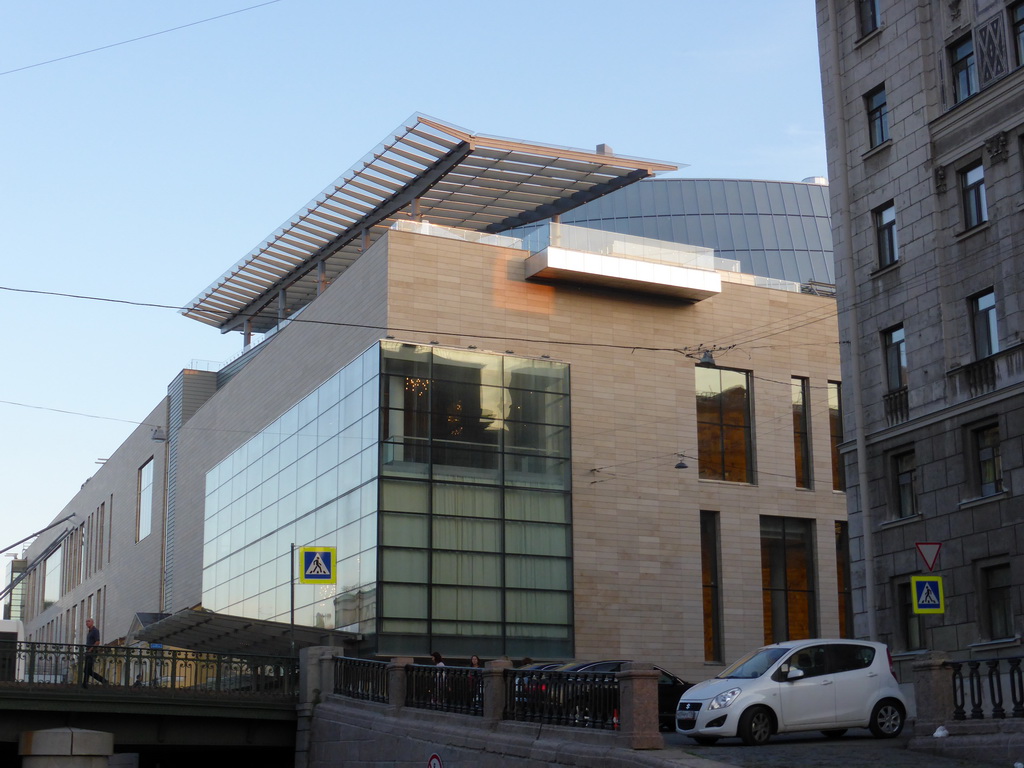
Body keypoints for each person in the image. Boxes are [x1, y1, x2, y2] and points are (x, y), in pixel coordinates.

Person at [81, 618, 107, 688]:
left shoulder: (95, 631)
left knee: (87, 669)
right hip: (88, 652)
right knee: (87, 669)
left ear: (92, 622)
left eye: (88, 621)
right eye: (86, 621)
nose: (87, 623)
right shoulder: (90, 631)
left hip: (92, 653)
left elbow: (97, 642)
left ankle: (103, 681)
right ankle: (85, 684)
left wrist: (90, 650)